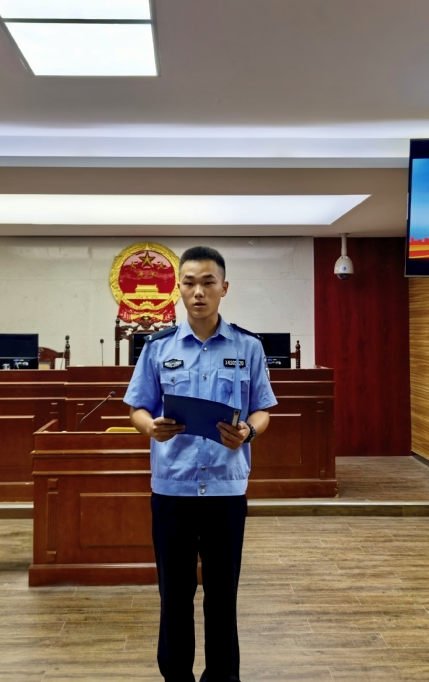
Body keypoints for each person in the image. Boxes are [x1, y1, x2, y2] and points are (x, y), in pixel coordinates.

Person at [124, 245, 277, 682]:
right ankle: (176, 677)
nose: (198, 292)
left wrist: (248, 432)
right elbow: (137, 407)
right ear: (178, 288)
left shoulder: (248, 346)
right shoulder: (158, 347)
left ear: (224, 288)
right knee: (174, 593)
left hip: (225, 489)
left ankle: (223, 678)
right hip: (173, 486)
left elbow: (263, 410)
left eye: (208, 283)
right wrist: (150, 427)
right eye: (189, 283)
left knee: (222, 594)